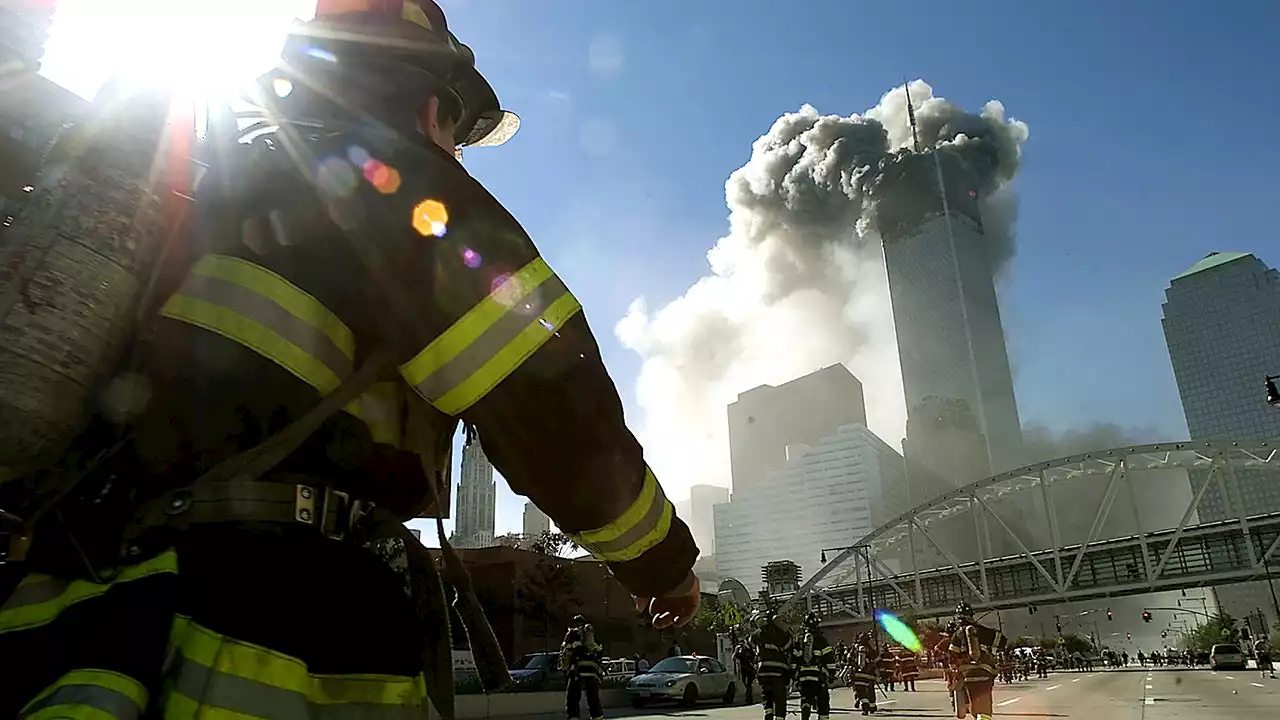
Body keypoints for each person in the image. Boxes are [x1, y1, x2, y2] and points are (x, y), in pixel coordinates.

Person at [0, 2, 701, 718]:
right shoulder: (397, 187)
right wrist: (664, 563)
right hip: (271, 617)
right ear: (434, 101)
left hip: (77, 623)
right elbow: (551, 404)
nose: (456, 151)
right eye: (458, 131)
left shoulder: (219, 191)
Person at [948, 603, 1004, 720]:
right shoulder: (982, 630)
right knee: (985, 706)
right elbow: (1002, 641)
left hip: (968, 676)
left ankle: (977, 715)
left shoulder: (956, 635)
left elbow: (952, 659)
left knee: (974, 703)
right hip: (985, 672)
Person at [751, 608, 793, 720]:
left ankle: (768, 714)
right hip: (778, 671)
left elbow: (750, 643)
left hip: (763, 671)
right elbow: (788, 648)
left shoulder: (759, 632)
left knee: (766, 694)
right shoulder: (782, 633)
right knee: (780, 698)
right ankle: (779, 717)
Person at [791, 612, 833, 720]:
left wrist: (793, 674)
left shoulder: (799, 640)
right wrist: (831, 674)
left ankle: (805, 708)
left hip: (803, 676)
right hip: (818, 676)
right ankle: (822, 717)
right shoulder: (821, 640)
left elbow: (794, 658)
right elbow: (829, 659)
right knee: (823, 700)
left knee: (805, 696)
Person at [561, 615, 604, 720]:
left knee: (572, 699)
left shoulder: (571, 634)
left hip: (577, 670)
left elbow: (565, 652)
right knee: (593, 699)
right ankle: (597, 717)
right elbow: (600, 652)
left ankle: (573, 717)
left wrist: (565, 669)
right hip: (592, 671)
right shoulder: (592, 635)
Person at [851, 633, 879, 715]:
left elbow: (848, 659)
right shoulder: (872, 650)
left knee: (861, 691)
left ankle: (865, 708)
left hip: (858, 675)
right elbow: (877, 661)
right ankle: (872, 706)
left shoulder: (855, 649)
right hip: (870, 675)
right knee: (870, 690)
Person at [735, 636, 758, 703]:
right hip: (743, 669)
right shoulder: (740, 650)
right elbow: (734, 657)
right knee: (744, 683)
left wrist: (754, 665)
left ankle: (749, 698)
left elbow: (755, 657)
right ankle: (748, 697)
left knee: (748, 684)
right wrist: (737, 651)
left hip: (750, 669)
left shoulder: (750, 649)